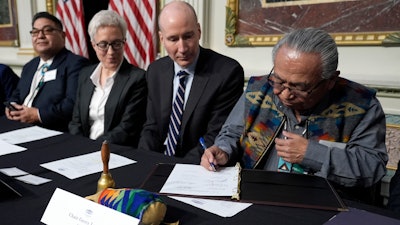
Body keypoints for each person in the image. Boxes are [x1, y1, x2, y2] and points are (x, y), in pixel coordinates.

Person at [201, 28, 388, 204]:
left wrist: (312, 154)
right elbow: (232, 133)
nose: (285, 94)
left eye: (300, 87)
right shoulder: (258, 90)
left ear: (330, 81)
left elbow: (372, 167)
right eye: (279, 81)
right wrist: (223, 150)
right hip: (254, 198)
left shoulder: (361, 105)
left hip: (323, 207)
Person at [138, 1, 244, 162]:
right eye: (173, 39)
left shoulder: (227, 73)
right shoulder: (155, 71)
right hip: (157, 162)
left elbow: (215, 135)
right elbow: (151, 128)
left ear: (199, 31)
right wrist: (144, 161)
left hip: (197, 166)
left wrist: (174, 167)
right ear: (162, 39)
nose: (182, 48)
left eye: (188, 36)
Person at [69, 10, 147, 147]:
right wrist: (79, 145)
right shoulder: (85, 75)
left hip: (114, 152)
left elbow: (126, 129)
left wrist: (93, 148)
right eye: (103, 45)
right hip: (82, 148)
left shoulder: (137, 78)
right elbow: (76, 122)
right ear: (94, 45)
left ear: (124, 42)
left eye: (116, 43)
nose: (111, 52)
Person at [5, 12, 89, 131]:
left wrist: (37, 115)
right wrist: (11, 105)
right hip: (19, 127)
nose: (40, 36)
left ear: (62, 35)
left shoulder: (75, 64)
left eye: (47, 30)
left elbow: (72, 104)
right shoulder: (30, 66)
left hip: (49, 130)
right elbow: (17, 93)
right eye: (35, 32)